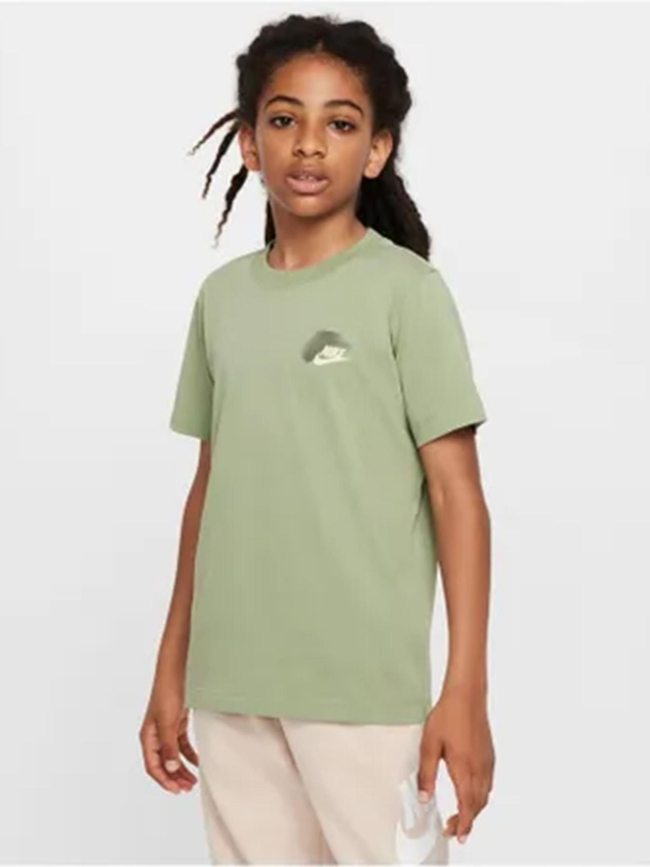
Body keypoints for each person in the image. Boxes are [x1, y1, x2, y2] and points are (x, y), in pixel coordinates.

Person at [139, 12, 495, 865]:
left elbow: (457, 494)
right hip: (234, 684)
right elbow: (210, 490)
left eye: (339, 123)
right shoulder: (222, 300)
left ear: (376, 150)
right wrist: (172, 663)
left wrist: (466, 687)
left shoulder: (406, 292)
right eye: (283, 118)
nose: (308, 143)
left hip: (362, 691)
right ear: (249, 143)